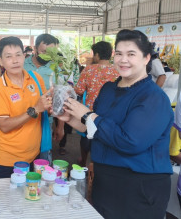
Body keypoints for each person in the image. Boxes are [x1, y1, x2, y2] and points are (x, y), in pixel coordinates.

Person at [57, 29, 173, 218]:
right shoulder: (109, 89)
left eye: (131, 54)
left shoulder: (153, 98)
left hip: (138, 187)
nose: (123, 60)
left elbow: (130, 141)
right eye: (119, 54)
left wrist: (86, 114)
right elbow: (95, 129)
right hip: (106, 181)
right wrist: (71, 119)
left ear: (146, 58)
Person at [0, 36, 53, 179]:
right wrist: (34, 109)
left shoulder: (35, 78)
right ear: (0, 61)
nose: (15, 60)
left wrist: (54, 102)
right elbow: (4, 125)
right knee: (7, 200)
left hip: (34, 156)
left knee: (31, 196)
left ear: (24, 56)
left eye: (18, 55)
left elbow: (45, 111)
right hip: (8, 161)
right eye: (9, 56)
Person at [74, 41, 119, 167]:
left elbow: (79, 90)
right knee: (105, 136)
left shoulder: (89, 70)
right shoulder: (118, 70)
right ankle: (96, 163)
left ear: (97, 54)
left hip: (90, 111)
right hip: (111, 111)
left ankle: (83, 161)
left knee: (86, 136)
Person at [24, 34, 64, 162]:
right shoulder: (22, 65)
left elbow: (60, 98)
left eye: (50, 53)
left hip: (45, 122)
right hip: (23, 119)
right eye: (43, 52)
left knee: (43, 159)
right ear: (35, 48)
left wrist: (60, 126)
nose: (47, 56)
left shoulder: (56, 69)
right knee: (24, 156)